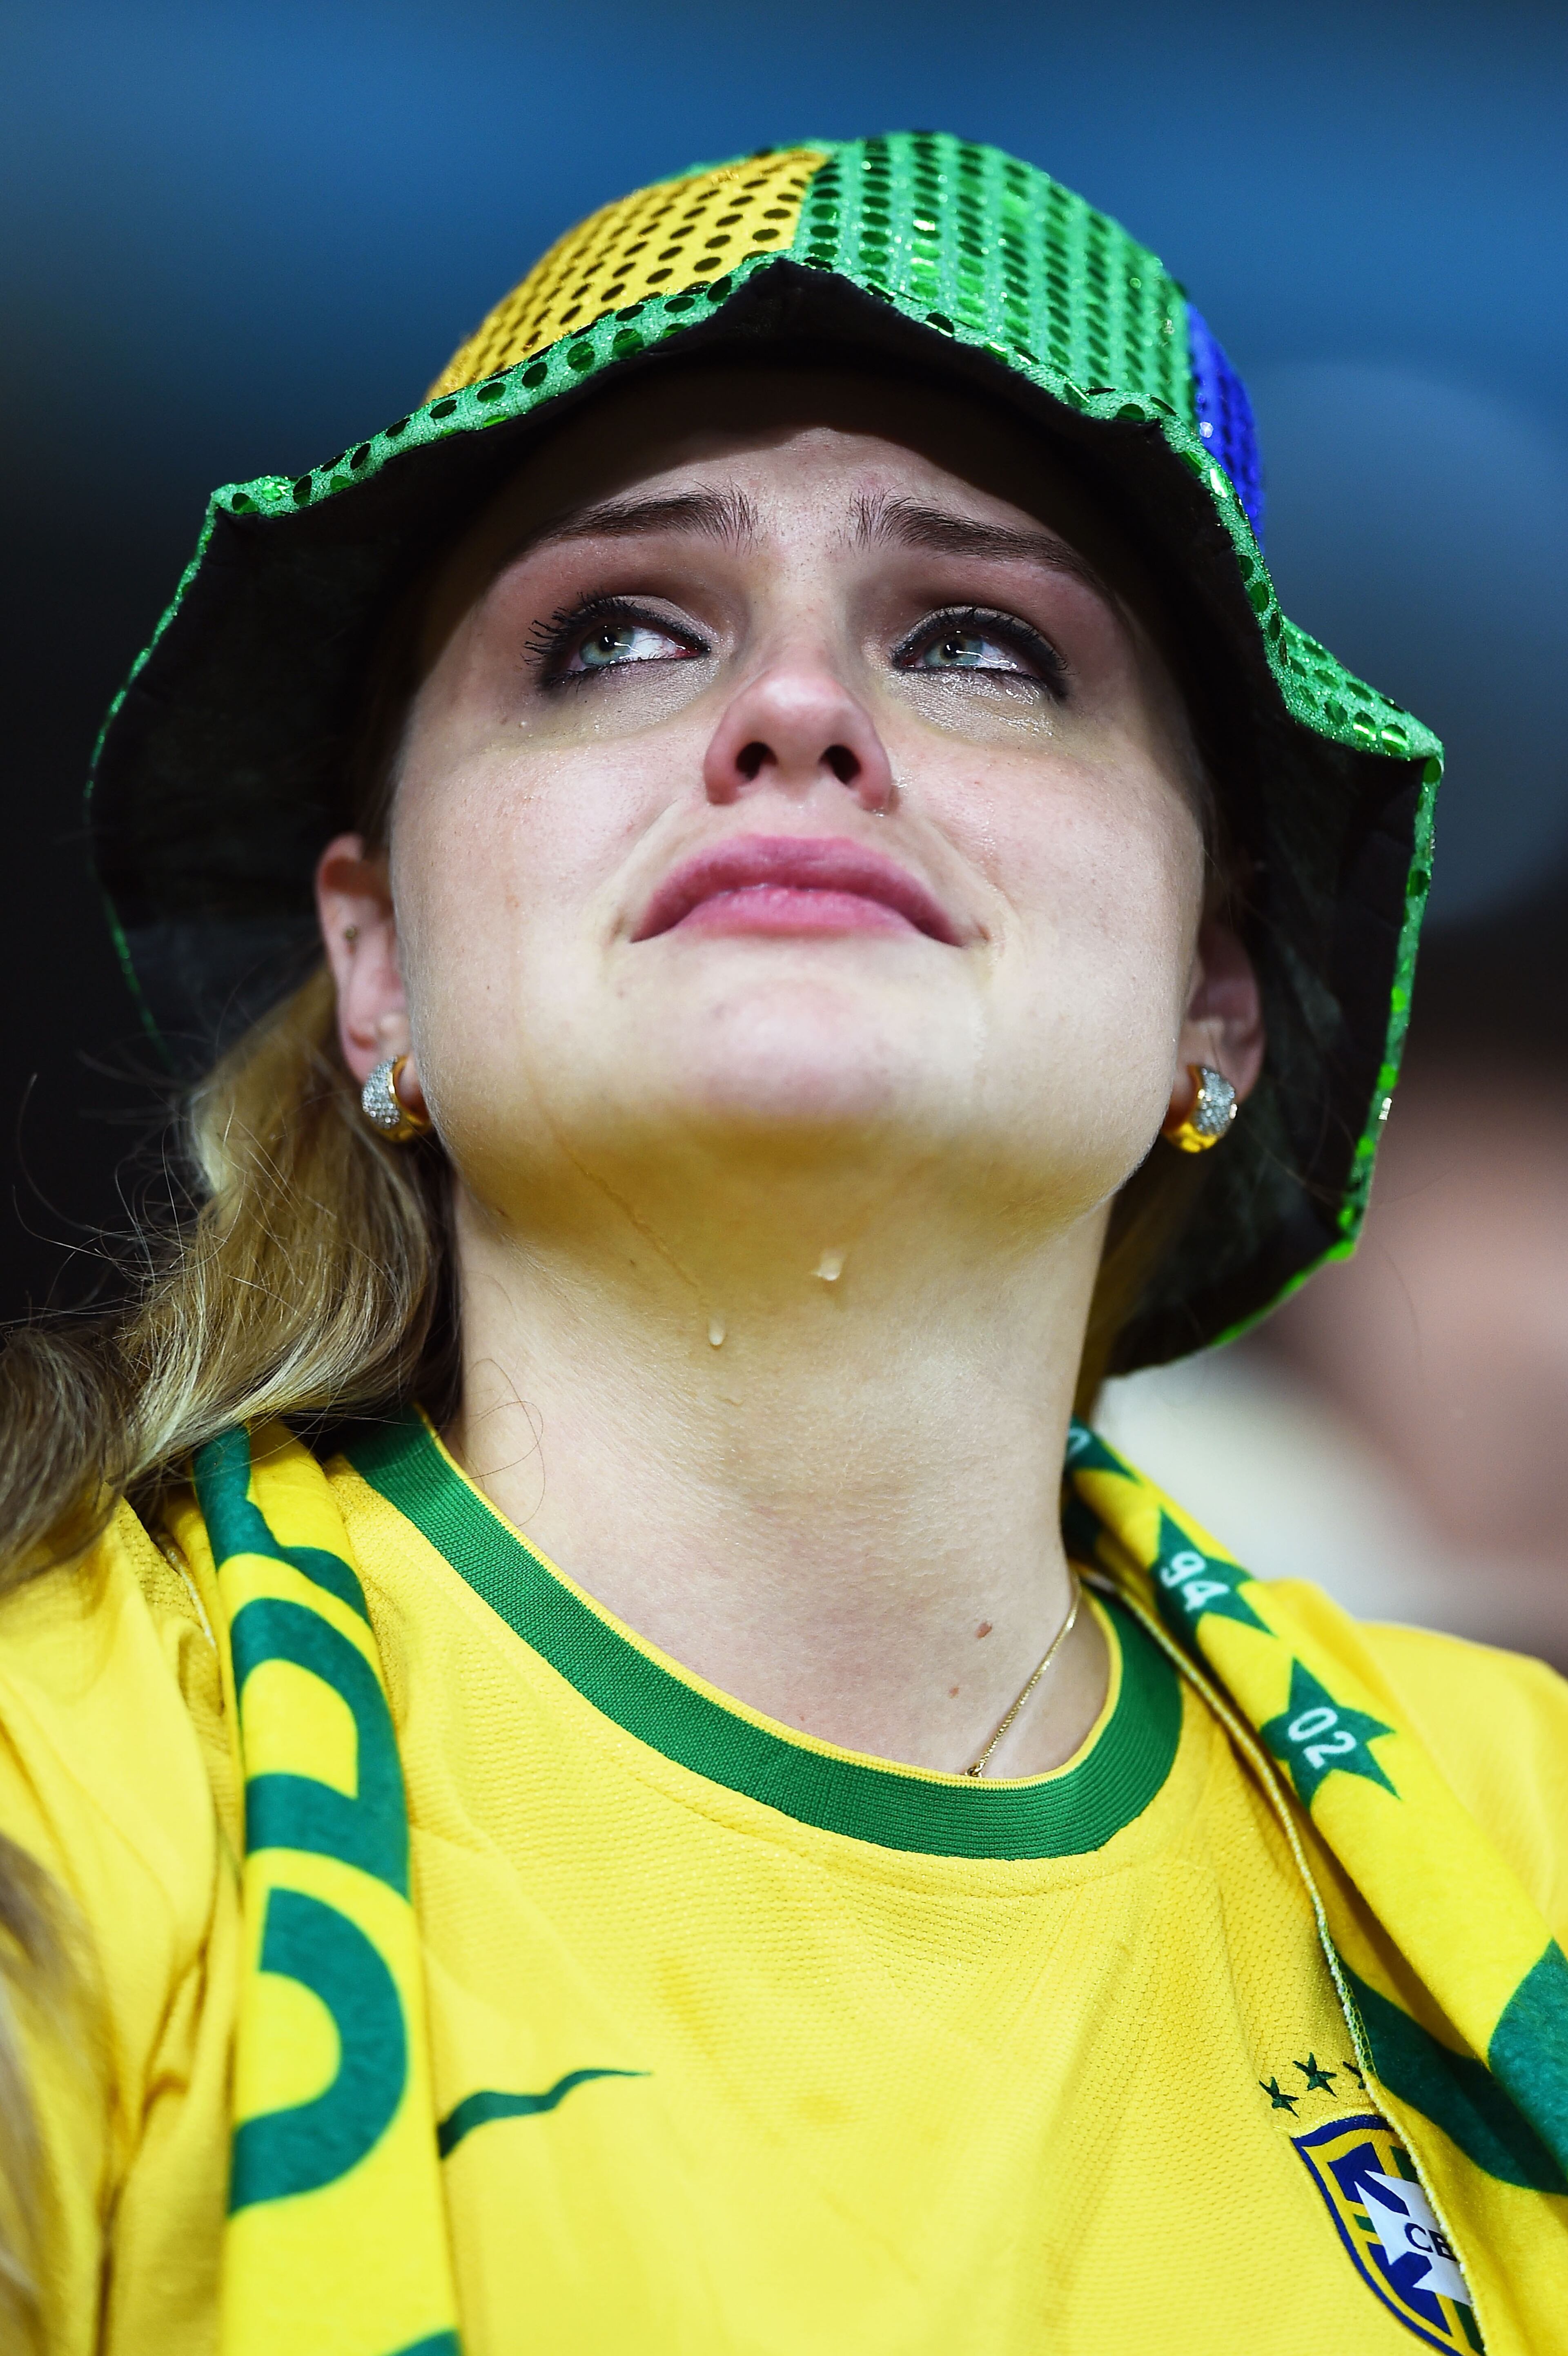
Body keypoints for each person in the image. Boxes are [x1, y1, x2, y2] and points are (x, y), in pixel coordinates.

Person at [0, 133, 1562, 2356]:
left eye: (985, 642)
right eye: (617, 634)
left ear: (1214, 993)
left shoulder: (1537, 1849)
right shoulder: (51, 1787)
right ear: (379, 972)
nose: (800, 712)